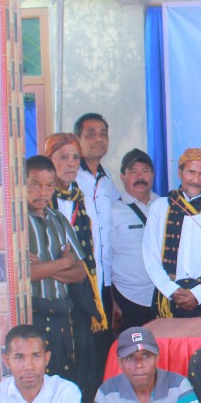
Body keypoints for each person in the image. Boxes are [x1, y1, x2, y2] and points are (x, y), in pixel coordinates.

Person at [47, 132, 109, 403]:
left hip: (84, 294)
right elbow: (41, 264)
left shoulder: (80, 198)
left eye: (75, 157)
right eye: (63, 158)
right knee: (59, 367)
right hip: (53, 300)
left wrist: (63, 266)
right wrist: (61, 267)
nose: (71, 164)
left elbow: (82, 261)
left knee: (86, 364)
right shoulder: (41, 204)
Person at [143, 148, 201, 318]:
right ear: (180, 172)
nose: (196, 180)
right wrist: (172, 290)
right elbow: (150, 255)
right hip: (167, 297)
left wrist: (198, 294)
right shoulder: (160, 207)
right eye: (191, 172)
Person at [25, 154, 88, 381]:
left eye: (49, 186)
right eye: (34, 185)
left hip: (61, 316)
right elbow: (24, 275)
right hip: (33, 316)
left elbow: (81, 272)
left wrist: (45, 268)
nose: (42, 192)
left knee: (62, 379)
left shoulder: (59, 220)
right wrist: (63, 263)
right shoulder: (16, 224)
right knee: (34, 378)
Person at [74, 113, 122, 338]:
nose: (99, 139)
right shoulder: (71, 178)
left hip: (105, 280)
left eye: (103, 133)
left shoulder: (107, 180)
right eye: (91, 134)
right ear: (78, 139)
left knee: (103, 345)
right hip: (79, 279)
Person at [110, 148, 160, 330]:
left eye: (145, 171)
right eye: (133, 172)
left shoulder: (164, 206)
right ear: (122, 177)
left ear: (153, 175)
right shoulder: (113, 212)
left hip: (161, 297)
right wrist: (112, 302)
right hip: (127, 298)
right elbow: (105, 258)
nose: (140, 177)